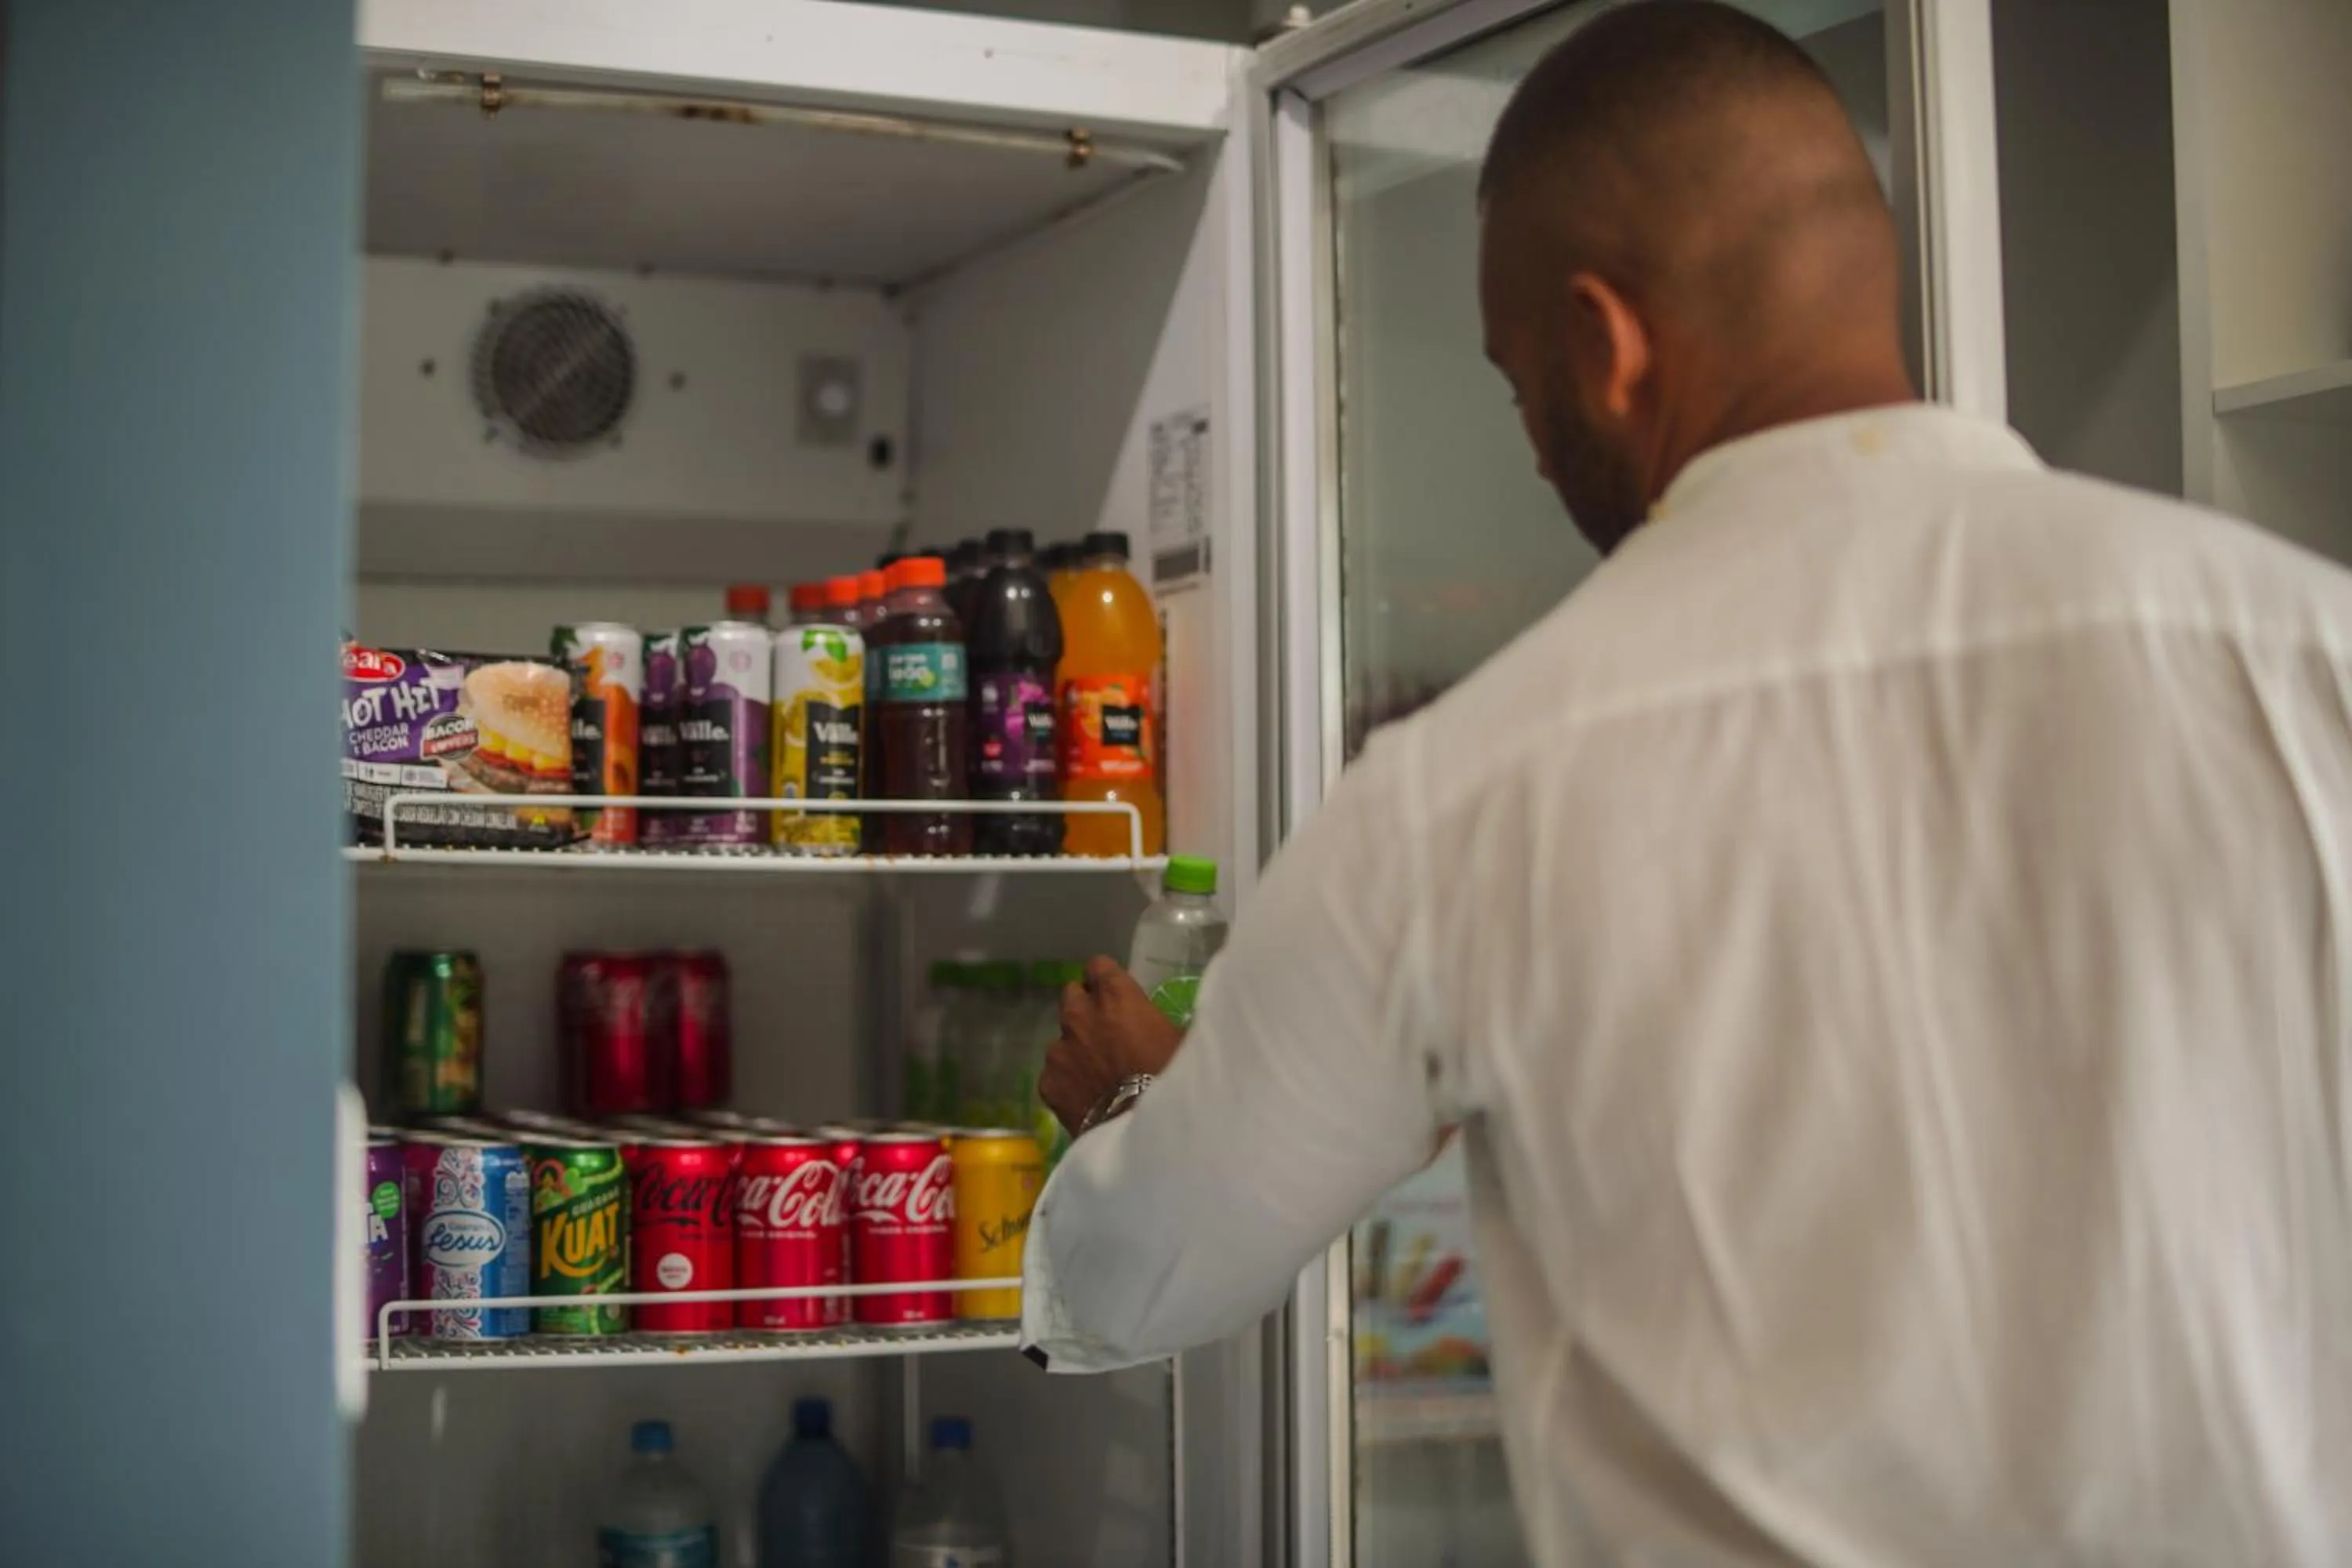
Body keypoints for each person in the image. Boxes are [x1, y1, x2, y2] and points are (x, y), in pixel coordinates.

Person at [1022, 2, 2352, 1563]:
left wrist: (1131, 1093)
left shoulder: (1466, 794)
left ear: (1607, 344)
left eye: (1521, 388)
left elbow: (1154, 1264)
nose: (1530, 447)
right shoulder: (2302, 649)